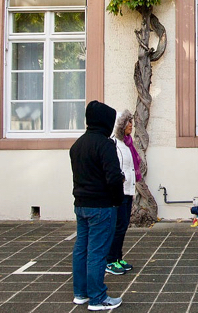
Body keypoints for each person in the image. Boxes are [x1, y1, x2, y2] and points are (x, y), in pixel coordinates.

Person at [70, 100, 124, 311]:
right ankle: (97, 298)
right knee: (97, 252)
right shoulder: (104, 145)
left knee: (81, 248)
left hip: (81, 204)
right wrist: (117, 200)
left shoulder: (78, 145)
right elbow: (112, 178)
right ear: (105, 122)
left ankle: (80, 293)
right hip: (102, 206)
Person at [105, 110, 139, 276]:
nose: (131, 126)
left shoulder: (128, 144)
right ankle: (110, 260)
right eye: (127, 123)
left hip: (128, 191)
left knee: (123, 226)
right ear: (119, 125)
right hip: (119, 191)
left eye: (131, 122)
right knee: (117, 226)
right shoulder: (114, 144)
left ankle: (118, 257)